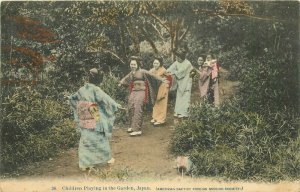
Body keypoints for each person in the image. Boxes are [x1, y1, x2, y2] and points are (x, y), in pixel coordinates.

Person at [69, 68, 122, 171]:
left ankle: (85, 163)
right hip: (93, 110)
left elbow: (72, 98)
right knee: (100, 135)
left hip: (84, 112)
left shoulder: (81, 89)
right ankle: (105, 159)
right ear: (98, 79)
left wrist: (80, 107)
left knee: (86, 137)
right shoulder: (95, 89)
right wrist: (116, 105)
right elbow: (105, 99)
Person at [119, 56, 167, 136]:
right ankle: (132, 126)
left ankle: (137, 129)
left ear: (137, 65)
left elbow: (152, 75)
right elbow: (126, 78)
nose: (132, 66)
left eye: (134, 64)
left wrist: (161, 79)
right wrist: (121, 82)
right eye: (131, 64)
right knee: (130, 106)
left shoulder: (143, 71)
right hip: (134, 91)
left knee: (138, 107)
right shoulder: (131, 72)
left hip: (141, 91)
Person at [166, 47, 193, 118]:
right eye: (177, 57)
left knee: (185, 97)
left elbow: (180, 73)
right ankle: (178, 112)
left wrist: (172, 73)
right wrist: (167, 72)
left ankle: (184, 113)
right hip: (180, 82)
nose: (177, 58)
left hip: (187, 82)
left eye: (179, 57)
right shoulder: (177, 62)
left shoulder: (188, 63)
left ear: (182, 57)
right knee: (179, 97)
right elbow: (171, 68)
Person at [149, 56, 171, 126]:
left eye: (157, 63)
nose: (155, 65)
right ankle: (155, 117)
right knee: (156, 104)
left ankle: (161, 120)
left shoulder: (164, 70)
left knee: (162, 104)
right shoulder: (152, 70)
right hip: (156, 88)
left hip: (163, 87)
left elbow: (169, 78)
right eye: (154, 63)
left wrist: (167, 85)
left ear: (160, 64)